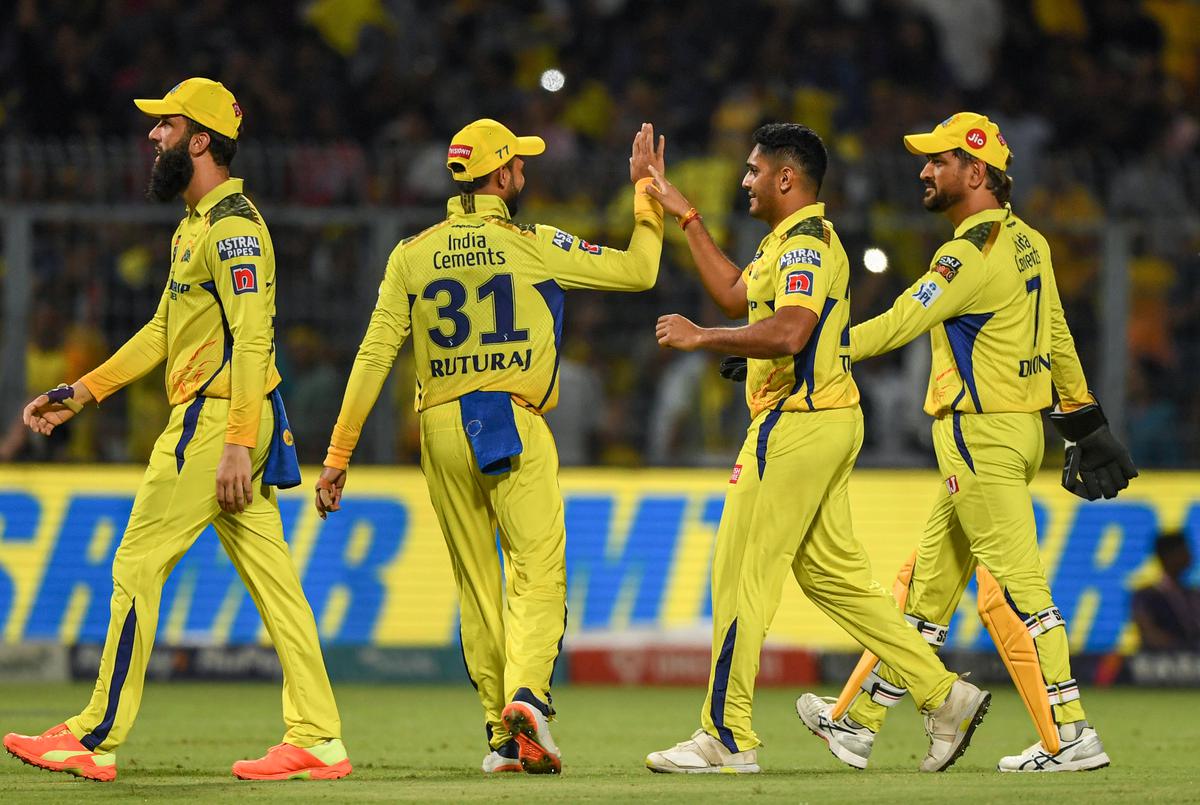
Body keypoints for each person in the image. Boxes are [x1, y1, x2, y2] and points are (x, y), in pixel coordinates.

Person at [3, 78, 350, 783]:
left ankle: (94, 735)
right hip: (234, 418)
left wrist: (231, 442)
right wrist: (84, 390)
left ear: (200, 140)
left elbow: (253, 342)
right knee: (277, 584)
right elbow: (164, 328)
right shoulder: (196, 227)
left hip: (217, 420)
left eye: (165, 125)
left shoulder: (233, 230)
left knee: (136, 563)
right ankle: (318, 736)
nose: (152, 136)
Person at [313, 119, 667, 775]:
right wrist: (646, 195)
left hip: (440, 423)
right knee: (537, 572)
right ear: (501, 176)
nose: (525, 174)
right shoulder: (531, 243)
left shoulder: (411, 253)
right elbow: (640, 271)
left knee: (476, 586)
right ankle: (527, 695)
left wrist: (338, 455)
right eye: (519, 166)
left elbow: (373, 356)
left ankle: (500, 736)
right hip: (509, 416)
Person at [642, 123, 988, 775]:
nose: (743, 181)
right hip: (822, 419)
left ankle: (726, 733)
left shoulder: (807, 243)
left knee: (743, 571)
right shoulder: (786, 243)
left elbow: (793, 330)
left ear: (786, 177)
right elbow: (737, 294)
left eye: (751, 171)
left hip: (795, 424)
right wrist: (682, 212)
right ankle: (944, 695)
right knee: (833, 577)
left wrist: (704, 338)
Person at [803, 112, 1137, 773]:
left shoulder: (965, 252)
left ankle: (1071, 731)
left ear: (976, 171)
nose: (924, 170)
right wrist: (1084, 421)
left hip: (977, 434)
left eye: (938, 160)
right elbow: (1060, 339)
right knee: (928, 590)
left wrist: (807, 350)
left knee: (1018, 590)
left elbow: (902, 319)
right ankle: (861, 722)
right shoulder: (1030, 243)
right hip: (1018, 431)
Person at [1133, 532, 1200, 651]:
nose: (1190, 555)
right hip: (1161, 663)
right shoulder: (1146, 596)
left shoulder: (1194, 594)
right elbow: (1149, 632)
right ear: (1168, 556)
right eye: (1184, 551)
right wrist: (1183, 648)